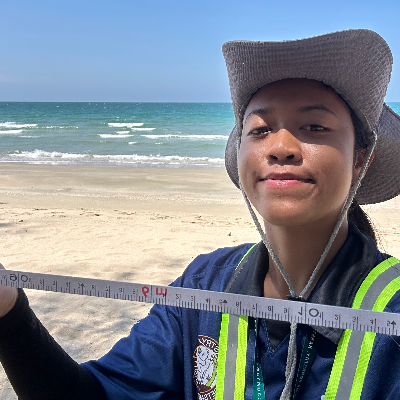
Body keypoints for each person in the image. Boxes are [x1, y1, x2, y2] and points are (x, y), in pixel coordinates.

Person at [0, 29, 400, 400]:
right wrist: (8, 312)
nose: (281, 147)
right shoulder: (203, 286)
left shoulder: (392, 312)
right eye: (260, 130)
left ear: (361, 160)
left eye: (314, 126)